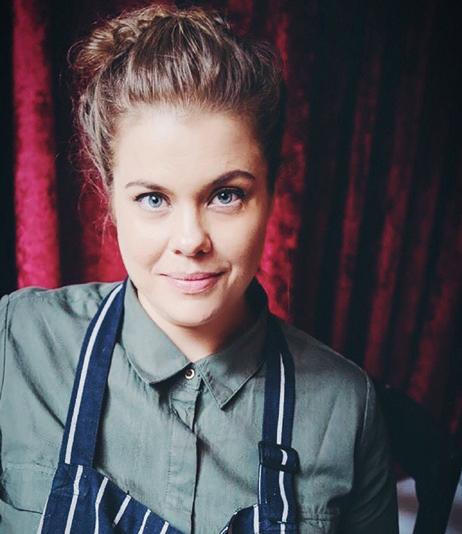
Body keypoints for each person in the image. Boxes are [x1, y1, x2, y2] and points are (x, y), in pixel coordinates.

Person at [0, 4, 399, 533]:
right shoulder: (17, 341)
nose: (191, 240)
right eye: (153, 199)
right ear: (109, 196)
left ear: (272, 194)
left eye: (226, 195)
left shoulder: (347, 407)